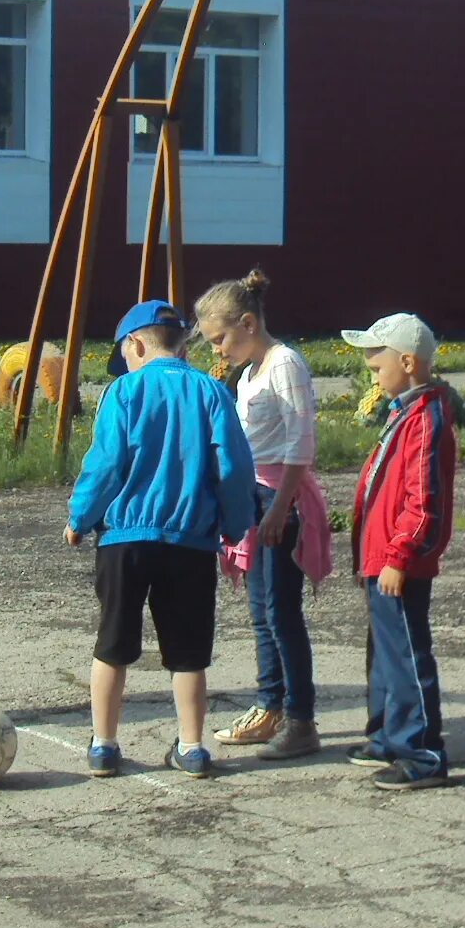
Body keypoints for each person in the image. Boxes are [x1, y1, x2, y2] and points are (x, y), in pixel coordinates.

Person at [66, 301, 257, 777]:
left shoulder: (125, 391)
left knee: (112, 642)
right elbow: (233, 467)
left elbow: (106, 464)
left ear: (136, 344)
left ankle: (104, 744)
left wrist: (80, 516)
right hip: (190, 540)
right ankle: (192, 747)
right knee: (188, 651)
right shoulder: (212, 392)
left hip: (124, 538)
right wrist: (236, 525)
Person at [195, 271, 330, 763]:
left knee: (281, 612)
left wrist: (280, 506)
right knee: (259, 613)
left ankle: (301, 720)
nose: (218, 350)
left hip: (280, 500)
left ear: (248, 322)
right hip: (251, 498)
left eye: (221, 339)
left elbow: (301, 441)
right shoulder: (248, 373)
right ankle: (269, 707)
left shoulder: (284, 363)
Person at [341, 312, 461, 792]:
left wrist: (400, 555)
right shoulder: (404, 412)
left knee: (408, 655)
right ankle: (390, 736)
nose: (373, 376)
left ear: (408, 362)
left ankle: (423, 753)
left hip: (398, 562)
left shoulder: (427, 417)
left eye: (376, 368)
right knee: (388, 654)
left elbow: (423, 497)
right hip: (382, 559)